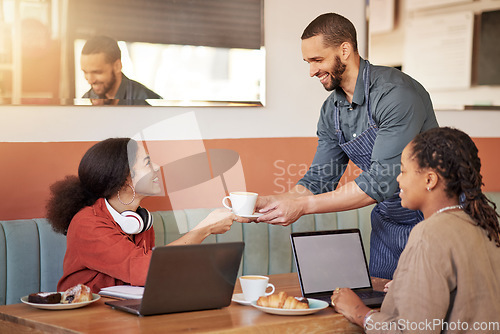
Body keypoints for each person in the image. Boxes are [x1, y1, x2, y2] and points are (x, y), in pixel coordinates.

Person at [256, 13, 438, 279]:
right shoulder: (332, 111)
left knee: (433, 312)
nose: (312, 71)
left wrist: (304, 207)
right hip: (389, 220)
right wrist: (272, 202)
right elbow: (319, 179)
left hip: (434, 218)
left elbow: (381, 182)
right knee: (383, 308)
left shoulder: (395, 94)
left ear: (345, 49)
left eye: (318, 60)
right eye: (308, 62)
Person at [331, 127, 500, 333]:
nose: (398, 180)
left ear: (429, 180)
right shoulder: (485, 226)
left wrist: (360, 313)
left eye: (402, 170)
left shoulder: (429, 234)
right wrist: (406, 286)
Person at [47, 138, 247, 293]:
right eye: (148, 162)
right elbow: (146, 270)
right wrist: (205, 229)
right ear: (125, 179)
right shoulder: (87, 223)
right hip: (85, 317)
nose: (157, 167)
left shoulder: (141, 221)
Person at [80, 35, 162, 105]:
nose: (90, 81)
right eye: (85, 72)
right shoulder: (86, 100)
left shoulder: (147, 101)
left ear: (117, 66)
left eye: (97, 72)